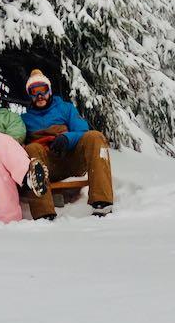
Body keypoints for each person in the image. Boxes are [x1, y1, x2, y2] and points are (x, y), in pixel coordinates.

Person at [21, 69, 114, 218]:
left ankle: (102, 201)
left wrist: (67, 139)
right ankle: (44, 213)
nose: (39, 96)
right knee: (32, 148)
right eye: (34, 92)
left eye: (43, 90)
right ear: (30, 95)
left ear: (49, 91)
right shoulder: (25, 119)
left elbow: (83, 131)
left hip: (71, 159)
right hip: (47, 166)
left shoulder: (65, 108)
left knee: (95, 137)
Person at [0, 79, 49, 223]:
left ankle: (10, 219)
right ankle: (27, 175)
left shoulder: (12, 117)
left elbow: (16, 137)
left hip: (4, 162)